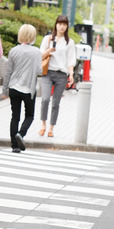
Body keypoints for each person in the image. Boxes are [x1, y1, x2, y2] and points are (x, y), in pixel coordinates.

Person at [1, 24, 42, 153]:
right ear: (33, 37)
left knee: (15, 116)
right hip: (28, 89)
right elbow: (39, 70)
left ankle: (14, 146)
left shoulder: (13, 51)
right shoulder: (36, 52)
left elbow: (8, 72)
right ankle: (21, 133)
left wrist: (4, 90)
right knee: (29, 115)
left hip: (14, 87)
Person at [39, 15, 76, 138]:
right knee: (45, 99)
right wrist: (50, 50)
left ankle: (51, 128)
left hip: (61, 75)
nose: (62, 26)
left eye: (64, 24)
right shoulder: (48, 39)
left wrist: (71, 74)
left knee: (56, 103)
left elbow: (71, 60)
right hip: (48, 73)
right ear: (56, 24)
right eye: (60, 24)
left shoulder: (69, 42)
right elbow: (41, 55)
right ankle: (43, 125)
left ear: (67, 26)